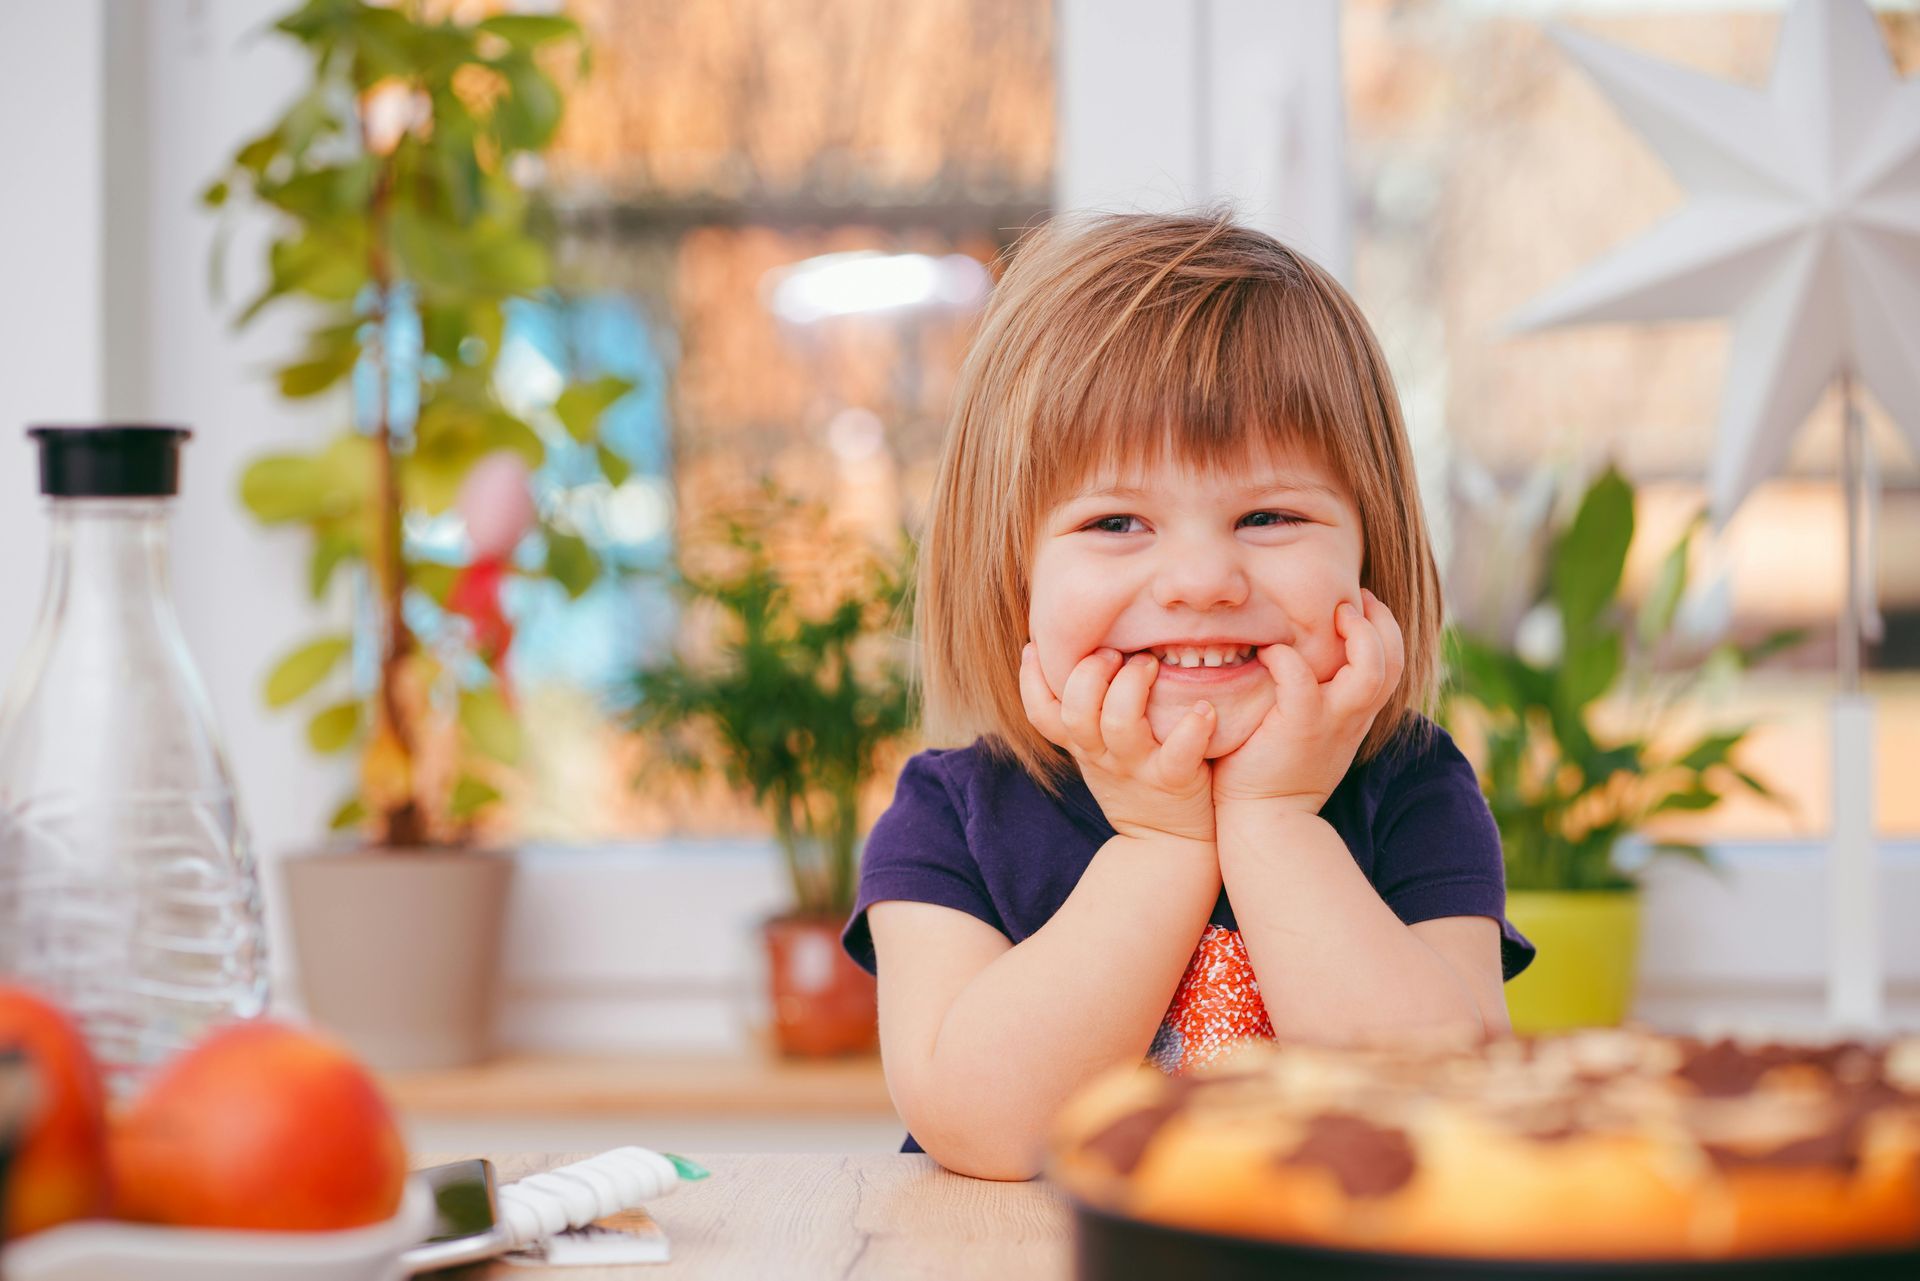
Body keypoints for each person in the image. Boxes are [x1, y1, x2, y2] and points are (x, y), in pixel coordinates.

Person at [839, 209, 1535, 1181]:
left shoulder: (1412, 788)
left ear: (1370, 553)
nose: (1202, 579)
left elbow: (1445, 1117)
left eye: (1270, 514)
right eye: (1119, 521)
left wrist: (1276, 823)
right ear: (1013, 575)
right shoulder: (951, 815)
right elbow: (983, 1130)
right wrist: (1161, 844)